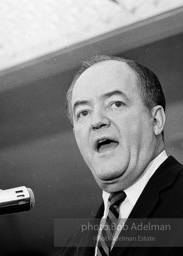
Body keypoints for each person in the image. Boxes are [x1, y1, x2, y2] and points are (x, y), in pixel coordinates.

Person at [62, 55, 183, 256]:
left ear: (156, 120)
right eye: (83, 113)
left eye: (116, 104)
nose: (97, 121)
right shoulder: (73, 247)